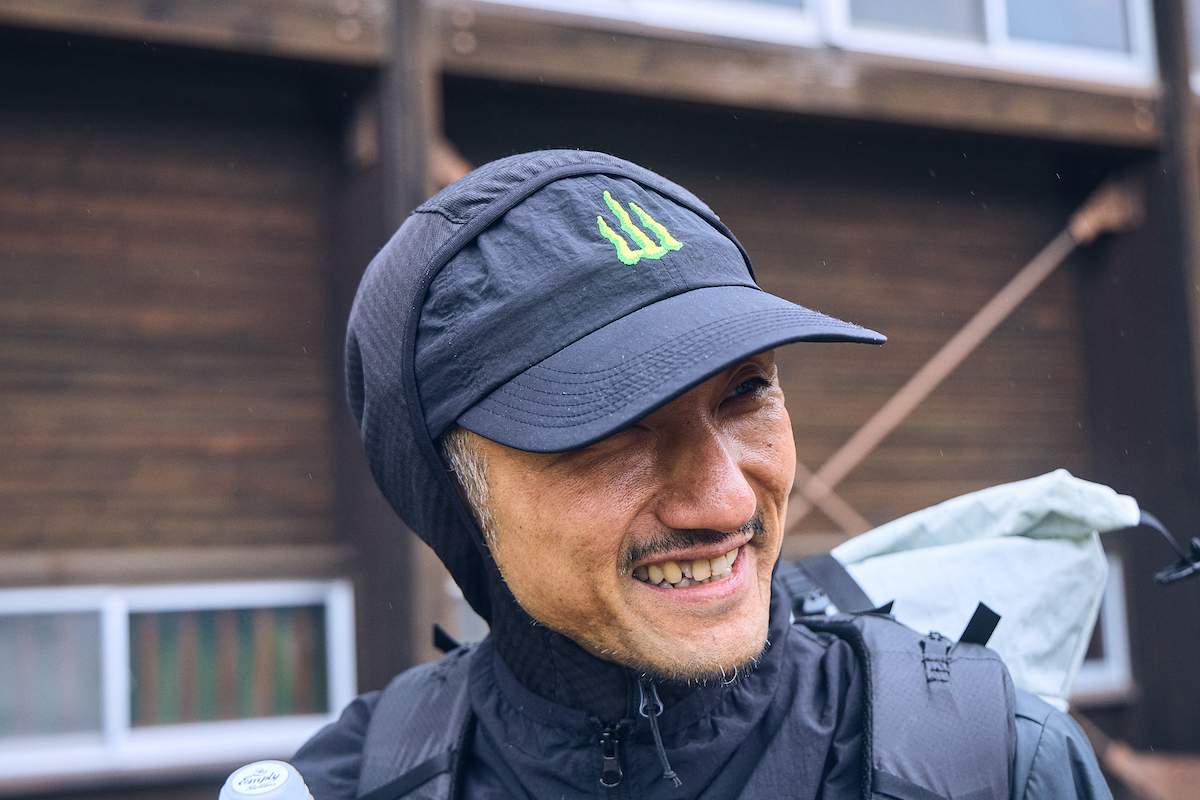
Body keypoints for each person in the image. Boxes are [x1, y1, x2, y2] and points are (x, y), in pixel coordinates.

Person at [292, 150, 1112, 799]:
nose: (726, 501)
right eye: (608, 428)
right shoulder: (349, 783)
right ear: (453, 498)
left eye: (746, 391)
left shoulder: (997, 763)